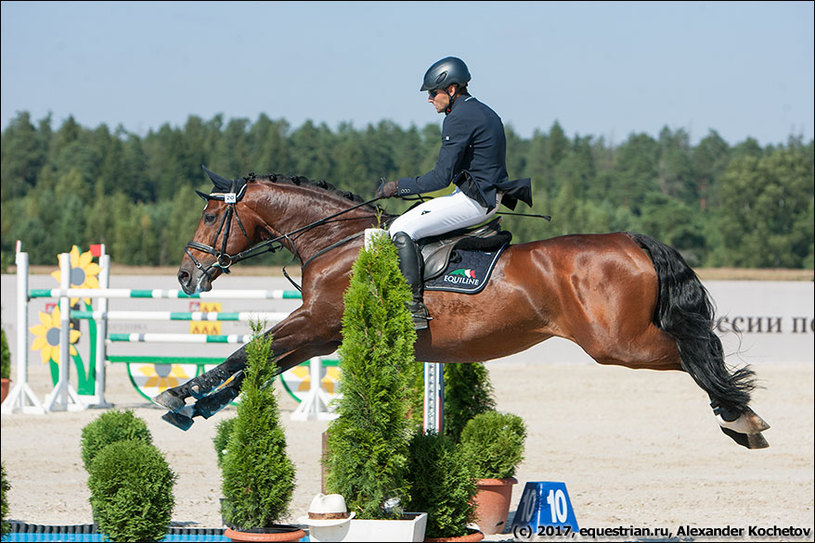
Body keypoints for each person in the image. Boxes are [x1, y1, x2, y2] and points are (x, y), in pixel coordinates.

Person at [376, 56, 532, 330]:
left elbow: (440, 177)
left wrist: (397, 187)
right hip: (481, 195)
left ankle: (412, 308)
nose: (429, 99)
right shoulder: (480, 110)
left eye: (432, 93)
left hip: (474, 201)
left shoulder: (458, 118)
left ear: (451, 89)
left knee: (401, 229)